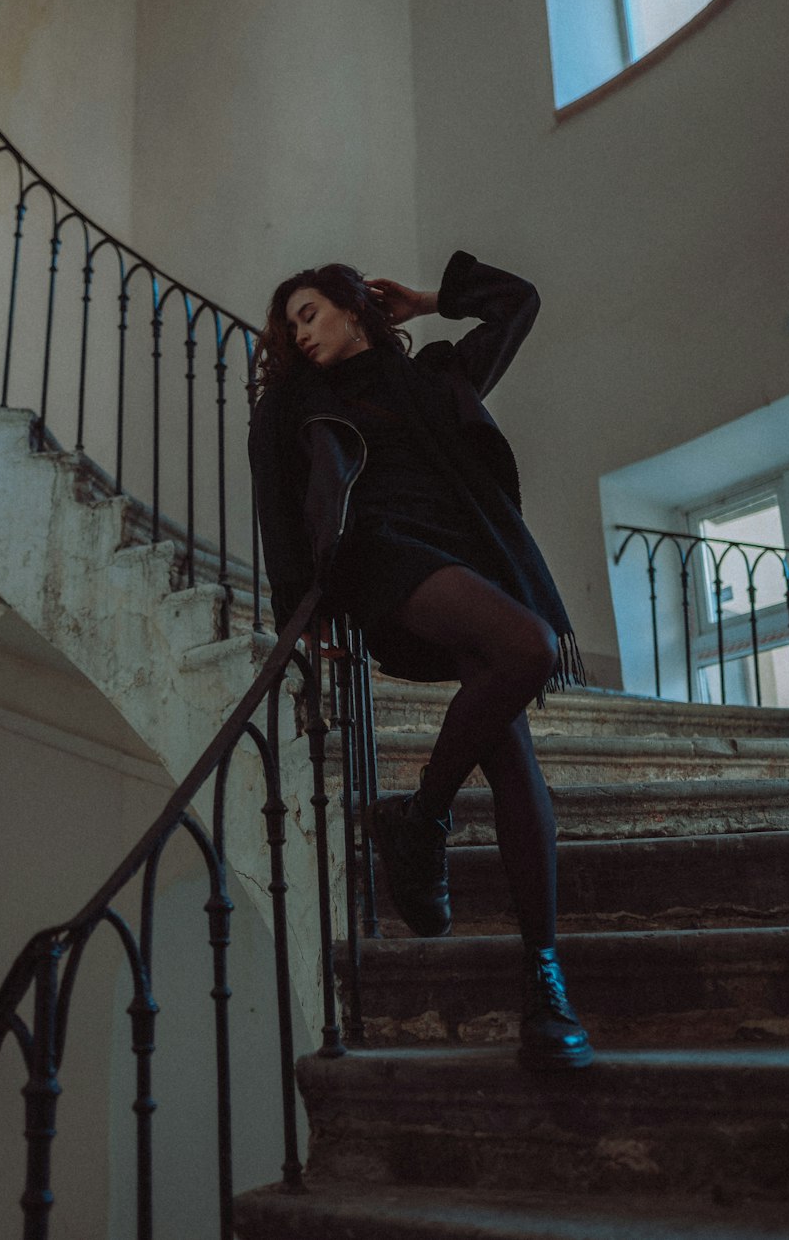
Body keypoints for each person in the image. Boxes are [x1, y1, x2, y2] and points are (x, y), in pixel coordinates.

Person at [248, 250, 592, 1071]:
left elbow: (520, 299)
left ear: (356, 306)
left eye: (311, 313)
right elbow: (281, 517)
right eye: (290, 326)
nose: (301, 334)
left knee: (514, 758)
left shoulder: (436, 374)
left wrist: (432, 300)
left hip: (475, 563)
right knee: (529, 647)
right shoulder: (292, 405)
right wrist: (306, 617)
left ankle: (545, 984)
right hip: (387, 563)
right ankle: (427, 816)